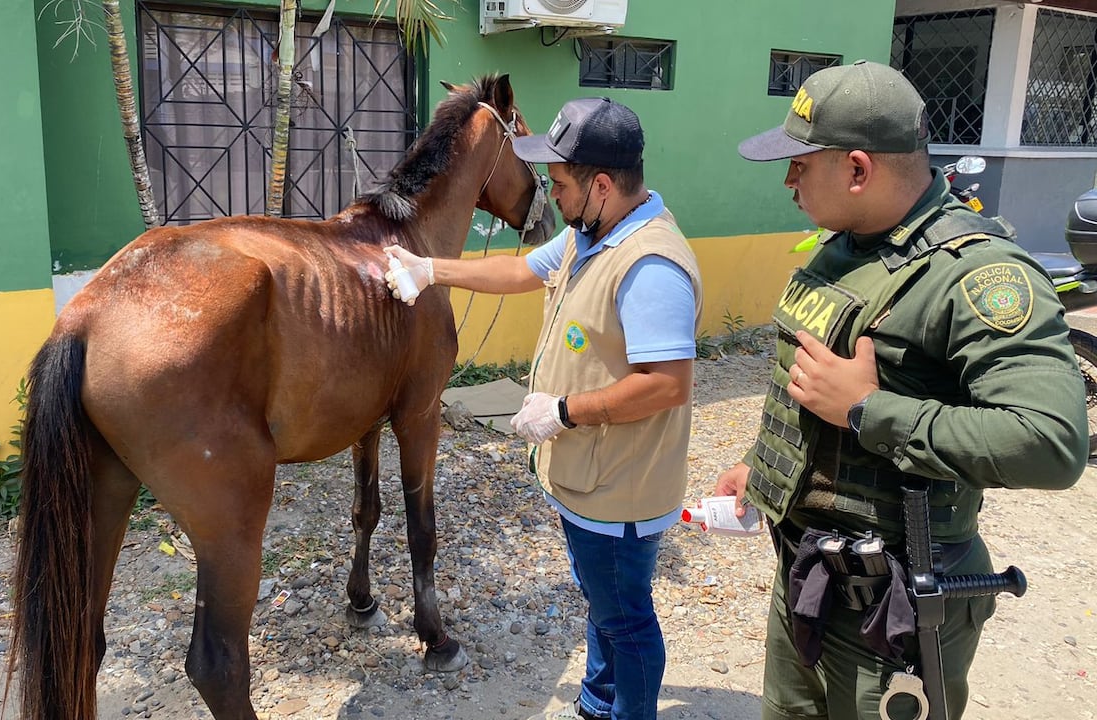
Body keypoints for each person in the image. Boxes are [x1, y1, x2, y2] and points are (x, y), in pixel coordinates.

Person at [717, 60, 1088, 720]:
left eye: (802, 164)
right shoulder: (856, 246)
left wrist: (867, 409)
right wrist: (765, 466)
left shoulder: (978, 276)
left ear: (858, 170)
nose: (788, 179)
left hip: (889, 610)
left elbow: (1052, 444)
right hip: (808, 571)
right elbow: (811, 390)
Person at [384, 97, 701, 720]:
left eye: (558, 183)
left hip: (622, 488)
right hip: (591, 480)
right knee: (603, 605)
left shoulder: (649, 264)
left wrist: (564, 410)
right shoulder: (593, 233)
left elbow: (667, 385)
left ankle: (625, 711)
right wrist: (429, 270)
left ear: (601, 185)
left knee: (626, 619)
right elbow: (520, 271)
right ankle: (597, 703)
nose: (550, 194)